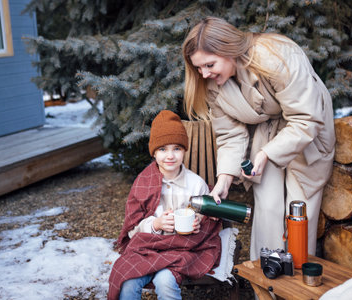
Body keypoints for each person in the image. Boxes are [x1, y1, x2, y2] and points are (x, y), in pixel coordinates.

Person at [182, 17, 335, 261]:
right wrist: (223, 179)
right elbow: (229, 134)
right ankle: (266, 286)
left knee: (299, 207)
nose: (204, 74)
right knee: (267, 206)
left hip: (308, 129)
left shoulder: (276, 56)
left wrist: (266, 153)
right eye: (199, 68)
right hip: (269, 129)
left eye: (209, 64)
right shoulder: (211, 84)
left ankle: (296, 287)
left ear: (229, 50)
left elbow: (306, 118)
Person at [107, 110, 222, 300]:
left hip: (181, 249)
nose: (170, 156)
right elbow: (132, 229)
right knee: (126, 282)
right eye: (162, 149)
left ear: (185, 150)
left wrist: (196, 224)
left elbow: (204, 220)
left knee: (165, 282)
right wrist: (155, 224)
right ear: (154, 152)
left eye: (177, 148)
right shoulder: (144, 182)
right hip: (147, 249)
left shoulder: (195, 184)